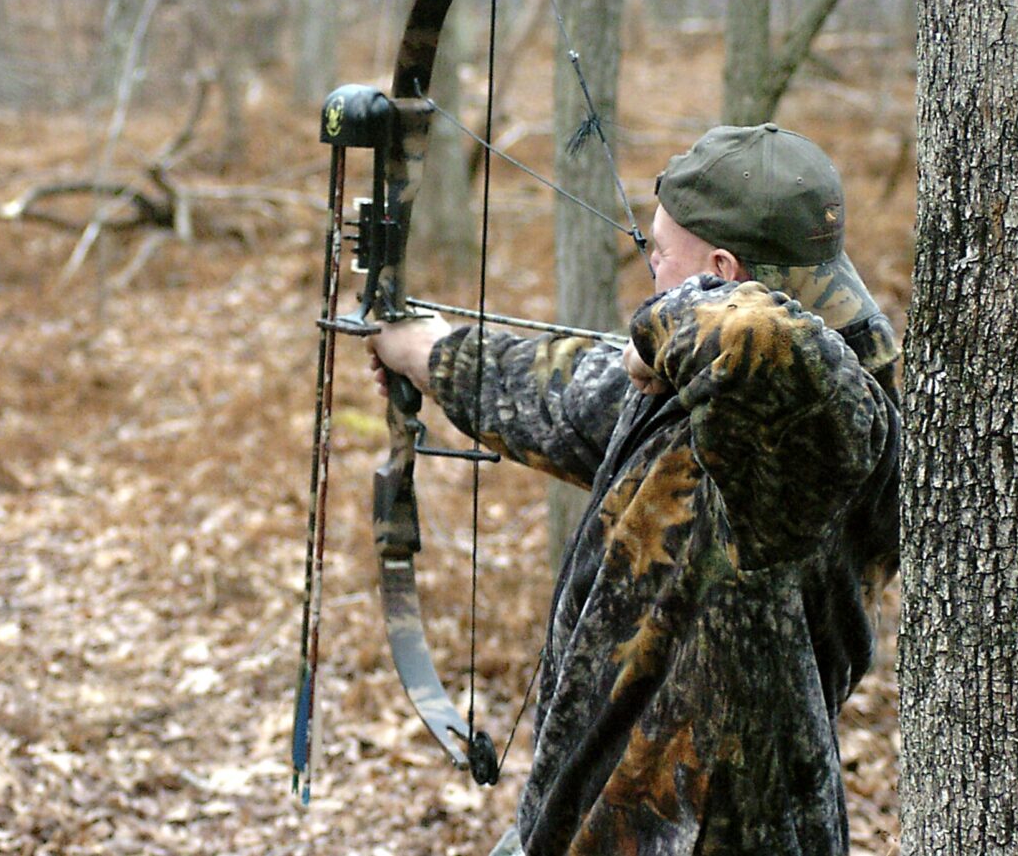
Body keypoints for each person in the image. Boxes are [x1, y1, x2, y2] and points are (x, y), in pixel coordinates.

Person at [369, 123, 901, 855]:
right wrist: (425, 350)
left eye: (661, 250)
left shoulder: (820, 422)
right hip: (600, 815)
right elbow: (559, 395)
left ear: (720, 268)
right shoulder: (698, 385)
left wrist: (668, 321)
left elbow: (768, 353)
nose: (649, 263)